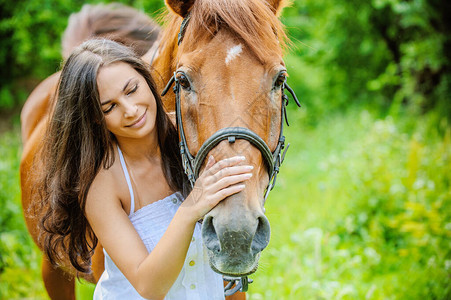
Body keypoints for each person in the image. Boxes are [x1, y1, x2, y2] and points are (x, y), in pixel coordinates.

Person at [36, 39, 254, 299]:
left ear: (146, 79)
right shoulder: (101, 183)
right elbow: (148, 286)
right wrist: (191, 208)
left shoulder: (192, 138)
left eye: (132, 90)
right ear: (95, 118)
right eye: (110, 107)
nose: (130, 110)